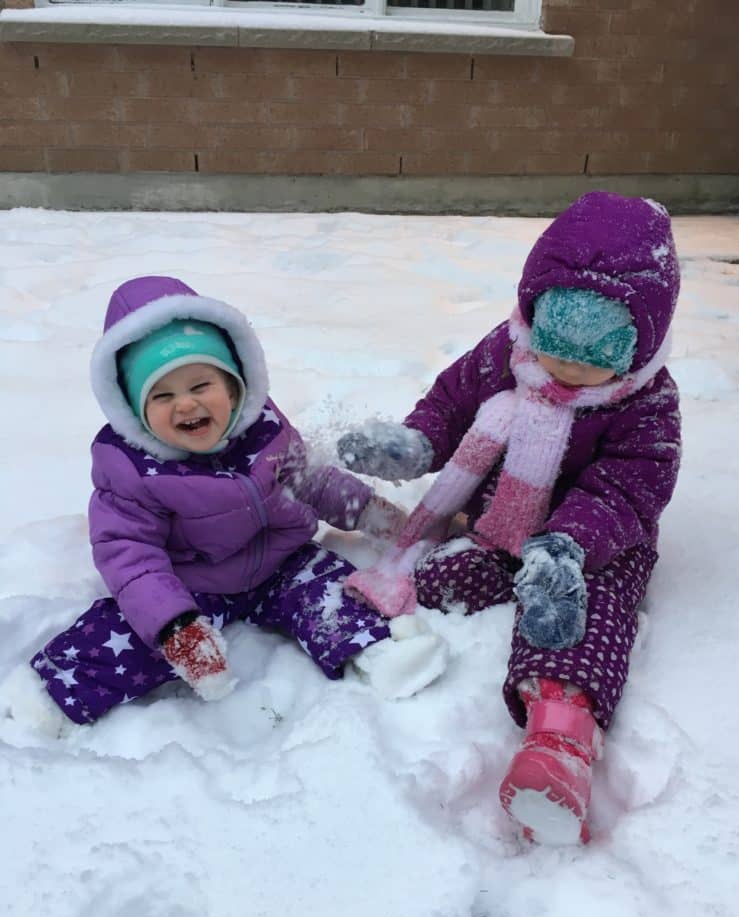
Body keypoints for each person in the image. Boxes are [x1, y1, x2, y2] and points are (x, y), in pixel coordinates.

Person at [337, 192, 682, 845]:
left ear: (641, 342)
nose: (570, 368)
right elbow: (452, 402)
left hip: (594, 547)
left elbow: (634, 486)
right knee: (438, 586)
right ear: (532, 313)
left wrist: (570, 544)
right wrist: (415, 444)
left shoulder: (647, 403)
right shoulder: (507, 351)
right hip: (499, 526)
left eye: (599, 350)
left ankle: (560, 741)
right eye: (557, 342)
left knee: (576, 615)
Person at [12, 275, 446, 736]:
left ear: (236, 386)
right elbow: (128, 554)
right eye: (161, 395)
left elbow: (310, 479)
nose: (185, 405)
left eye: (201, 384)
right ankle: (51, 690)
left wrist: (369, 512)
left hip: (283, 562)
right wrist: (176, 626)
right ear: (134, 413)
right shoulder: (134, 471)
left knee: (329, 590)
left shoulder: (264, 430)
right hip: (194, 581)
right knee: (125, 636)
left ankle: (379, 651)